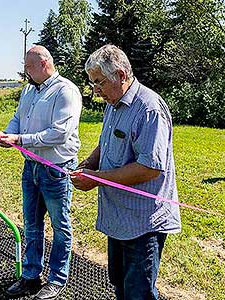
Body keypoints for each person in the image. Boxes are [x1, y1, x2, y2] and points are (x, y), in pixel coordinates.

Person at [70, 44, 181, 300]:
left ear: (120, 75)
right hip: (119, 218)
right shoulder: (113, 102)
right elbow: (105, 142)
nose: (95, 91)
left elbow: (150, 168)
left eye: (99, 83)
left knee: (138, 293)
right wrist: (88, 164)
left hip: (143, 222)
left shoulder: (149, 108)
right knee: (119, 284)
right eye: (92, 83)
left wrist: (96, 179)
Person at [0, 45, 82, 300]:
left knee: (60, 226)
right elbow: (18, 118)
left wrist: (19, 139)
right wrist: (6, 134)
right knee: (31, 224)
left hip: (56, 169)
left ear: (43, 64)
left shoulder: (66, 91)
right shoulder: (29, 90)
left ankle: (56, 279)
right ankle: (31, 276)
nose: (25, 71)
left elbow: (59, 133)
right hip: (31, 167)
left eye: (28, 66)